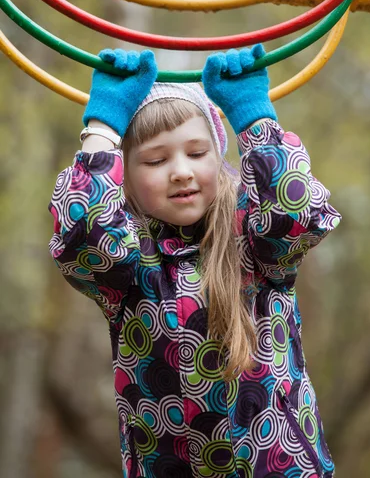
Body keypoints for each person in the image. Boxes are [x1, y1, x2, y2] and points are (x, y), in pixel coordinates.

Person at [49, 44, 340, 478]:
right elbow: (81, 237)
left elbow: (295, 214)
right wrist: (103, 127)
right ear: (123, 176)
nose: (181, 171)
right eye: (156, 159)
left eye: (197, 153)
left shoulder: (254, 239)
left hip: (280, 467)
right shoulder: (129, 263)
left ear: (218, 158)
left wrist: (255, 119)